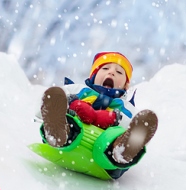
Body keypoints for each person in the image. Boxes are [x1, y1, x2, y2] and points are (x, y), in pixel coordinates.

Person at [37, 51, 158, 179]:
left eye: (119, 72)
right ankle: (58, 133)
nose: (111, 72)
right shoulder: (78, 90)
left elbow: (134, 129)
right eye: (105, 68)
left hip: (106, 156)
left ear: (126, 85)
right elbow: (44, 107)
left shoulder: (124, 106)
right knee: (70, 119)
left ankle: (121, 150)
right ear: (93, 75)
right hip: (70, 137)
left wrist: (114, 118)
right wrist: (70, 104)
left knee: (114, 135)